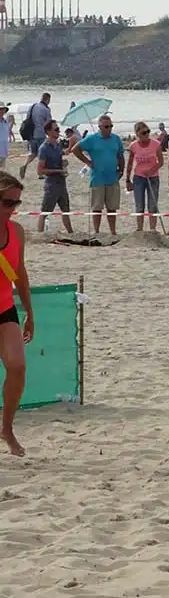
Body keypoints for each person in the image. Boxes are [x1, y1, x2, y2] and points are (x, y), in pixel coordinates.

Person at [0, 172, 34, 457]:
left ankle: (7, 429)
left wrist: (29, 312)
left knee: (18, 367)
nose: (12, 209)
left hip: (4, 308)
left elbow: (19, 273)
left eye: (17, 203)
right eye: (7, 202)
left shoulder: (17, 232)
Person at [71, 114, 125, 235]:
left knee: (112, 207)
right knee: (97, 207)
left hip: (112, 177)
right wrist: (87, 161)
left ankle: (113, 231)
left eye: (111, 126)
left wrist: (121, 170)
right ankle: (96, 231)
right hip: (97, 178)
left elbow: (120, 155)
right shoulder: (92, 139)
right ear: (100, 127)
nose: (109, 129)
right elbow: (75, 149)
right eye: (106, 126)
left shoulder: (116, 139)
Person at [36, 119, 74, 234]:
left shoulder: (57, 145)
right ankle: (40, 235)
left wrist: (63, 163)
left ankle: (70, 233)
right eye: (56, 129)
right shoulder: (44, 148)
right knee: (45, 212)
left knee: (65, 211)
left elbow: (62, 157)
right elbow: (40, 171)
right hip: (51, 184)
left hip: (61, 182)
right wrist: (58, 170)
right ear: (48, 132)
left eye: (58, 129)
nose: (59, 131)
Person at [125, 121, 164, 232]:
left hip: (153, 177)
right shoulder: (133, 146)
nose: (146, 135)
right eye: (143, 133)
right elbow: (130, 164)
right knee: (139, 206)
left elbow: (161, 162)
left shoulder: (156, 144)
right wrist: (127, 179)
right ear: (137, 134)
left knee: (153, 205)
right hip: (139, 177)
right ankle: (140, 229)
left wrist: (152, 170)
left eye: (148, 132)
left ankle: (152, 229)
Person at [19, 92, 51, 179]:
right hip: (40, 134)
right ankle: (40, 174)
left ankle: (24, 165)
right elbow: (49, 123)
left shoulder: (32, 106)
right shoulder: (46, 109)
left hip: (31, 134)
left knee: (33, 153)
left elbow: (27, 119)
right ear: (48, 99)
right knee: (43, 154)